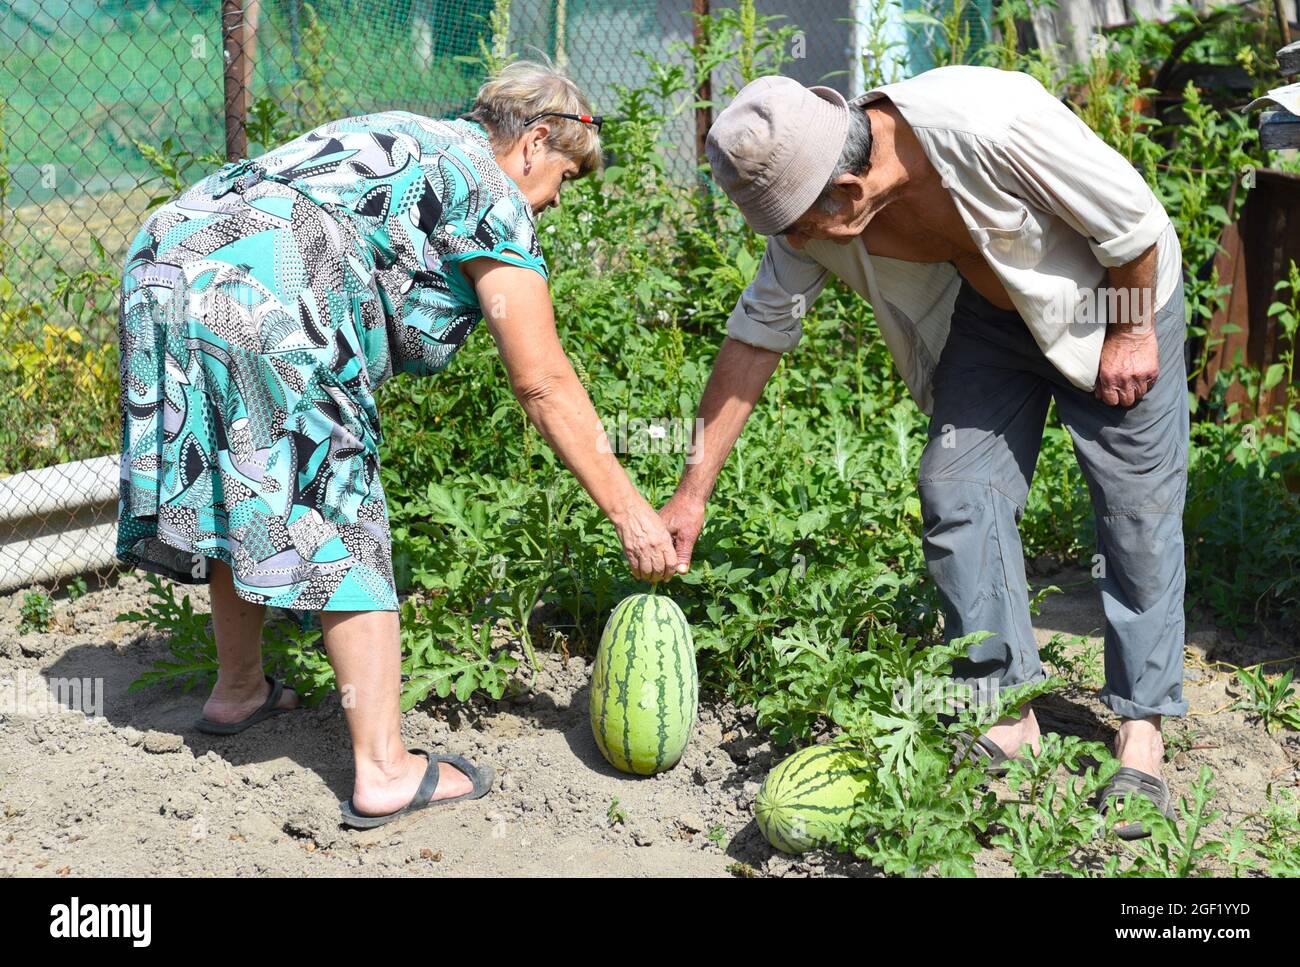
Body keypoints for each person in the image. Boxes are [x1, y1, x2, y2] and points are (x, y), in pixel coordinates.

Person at [116, 61, 678, 829]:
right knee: (339, 494)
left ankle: (239, 688)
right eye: (564, 178)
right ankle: (383, 768)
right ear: (533, 142)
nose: (553, 201)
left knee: (232, 469)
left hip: (165, 254)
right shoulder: (490, 187)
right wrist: (631, 513)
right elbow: (542, 381)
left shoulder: (417, 135)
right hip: (269, 281)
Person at [661, 66, 1188, 839]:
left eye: (799, 226)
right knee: (956, 487)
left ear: (847, 190)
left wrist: (1133, 329)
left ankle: (1142, 729)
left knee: (1135, 506)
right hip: (995, 312)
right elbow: (755, 335)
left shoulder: (990, 125)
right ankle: (1004, 711)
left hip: (1115, 291)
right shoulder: (810, 211)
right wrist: (692, 492)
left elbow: (1132, 225)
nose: (792, 245)